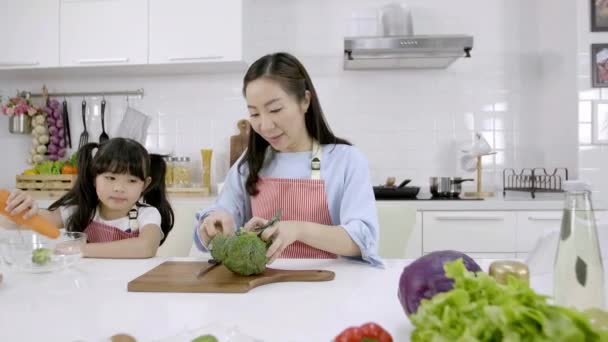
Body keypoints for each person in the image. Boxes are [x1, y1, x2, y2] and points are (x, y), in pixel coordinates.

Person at [194, 52, 381, 266]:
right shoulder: (252, 163)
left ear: (305, 101)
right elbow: (223, 212)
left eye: (275, 109)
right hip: (262, 289)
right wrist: (214, 224)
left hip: (330, 286)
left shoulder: (346, 160)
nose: (264, 126)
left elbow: (363, 239)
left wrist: (298, 229)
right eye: (254, 114)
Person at [4, 137, 174, 258]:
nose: (119, 188)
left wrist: (81, 249)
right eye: (110, 178)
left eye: (131, 180)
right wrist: (16, 207)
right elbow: (13, 223)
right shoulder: (79, 210)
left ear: (144, 185)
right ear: (94, 178)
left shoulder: (147, 214)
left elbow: (146, 247)